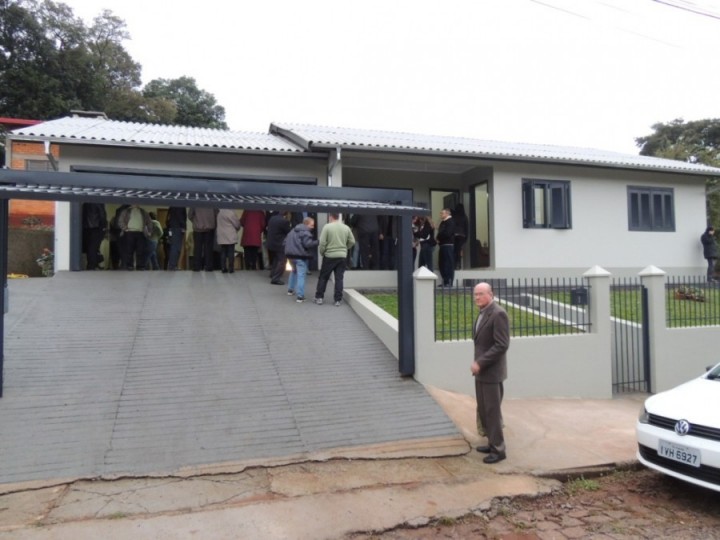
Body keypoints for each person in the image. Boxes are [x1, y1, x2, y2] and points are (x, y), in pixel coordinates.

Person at [471, 282, 510, 464]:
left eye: (480, 294)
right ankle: (491, 442)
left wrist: (481, 362)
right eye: (475, 294)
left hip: (491, 372)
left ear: (490, 294)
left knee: (492, 411)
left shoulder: (498, 314)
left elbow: (502, 345)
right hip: (481, 372)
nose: (477, 297)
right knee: (484, 410)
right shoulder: (483, 313)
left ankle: (499, 450)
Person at [314, 213, 355, 306]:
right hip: (342, 257)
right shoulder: (346, 228)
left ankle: (319, 298)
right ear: (338, 217)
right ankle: (337, 300)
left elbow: (322, 242)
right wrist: (345, 249)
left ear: (330, 217)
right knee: (339, 279)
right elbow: (352, 241)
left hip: (329, 256)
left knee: (323, 277)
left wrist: (322, 252)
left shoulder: (327, 227)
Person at [284, 216, 319, 302]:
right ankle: (300, 296)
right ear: (306, 224)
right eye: (312, 225)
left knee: (293, 271)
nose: (313, 227)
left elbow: (284, 242)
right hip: (300, 256)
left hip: (290, 255)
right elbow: (308, 244)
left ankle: (290, 290)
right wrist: (318, 242)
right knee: (301, 275)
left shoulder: (292, 231)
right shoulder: (306, 232)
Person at [118, 204, 152, 270]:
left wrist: (149, 231)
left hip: (140, 233)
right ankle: (129, 266)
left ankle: (140, 266)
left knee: (141, 251)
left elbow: (149, 221)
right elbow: (120, 221)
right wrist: (125, 229)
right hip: (129, 232)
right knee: (129, 250)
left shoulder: (143, 212)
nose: (136, 203)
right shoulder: (126, 211)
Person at [188, 207, 218, 271]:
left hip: (197, 228)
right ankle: (208, 266)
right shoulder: (212, 201)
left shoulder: (195, 201)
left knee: (197, 248)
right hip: (210, 228)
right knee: (208, 249)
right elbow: (217, 214)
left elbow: (190, 215)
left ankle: (197, 266)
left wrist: (195, 221)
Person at [266, 211, 291, 284]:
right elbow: (288, 232)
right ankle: (276, 278)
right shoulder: (284, 221)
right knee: (283, 261)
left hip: (271, 243)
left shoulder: (272, 218)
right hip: (279, 244)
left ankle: (273, 273)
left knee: (276, 259)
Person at [81, 203, 107, 270]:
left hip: (86, 228)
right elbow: (102, 216)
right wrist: (104, 227)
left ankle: (92, 264)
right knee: (93, 248)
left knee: (90, 248)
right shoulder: (99, 203)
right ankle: (92, 265)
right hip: (96, 227)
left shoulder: (85, 204)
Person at [216, 209, 241, 273]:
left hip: (221, 235)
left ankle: (223, 267)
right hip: (230, 235)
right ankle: (231, 268)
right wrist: (238, 228)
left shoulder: (219, 213)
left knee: (223, 252)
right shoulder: (231, 213)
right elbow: (237, 224)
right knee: (231, 252)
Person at [436, 208, 455, 287]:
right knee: (442, 264)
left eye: (442, 213)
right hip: (442, 245)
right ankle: (445, 280)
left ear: (447, 213)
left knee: (448, 264)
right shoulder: (443, 222)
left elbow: (447, 233)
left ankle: (449, 282)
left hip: (448, 245)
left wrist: (439, 237)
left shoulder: (450, 222)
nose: (441, 215)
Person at [453, 203, 468, 270]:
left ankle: (455, 264)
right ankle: (458, 264)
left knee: (455, 250)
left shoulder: (454, 216)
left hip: (455, 236)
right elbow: (467, 228)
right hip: (462, 236)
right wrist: (466, 237)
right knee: (458, 250)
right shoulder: (464, 217)